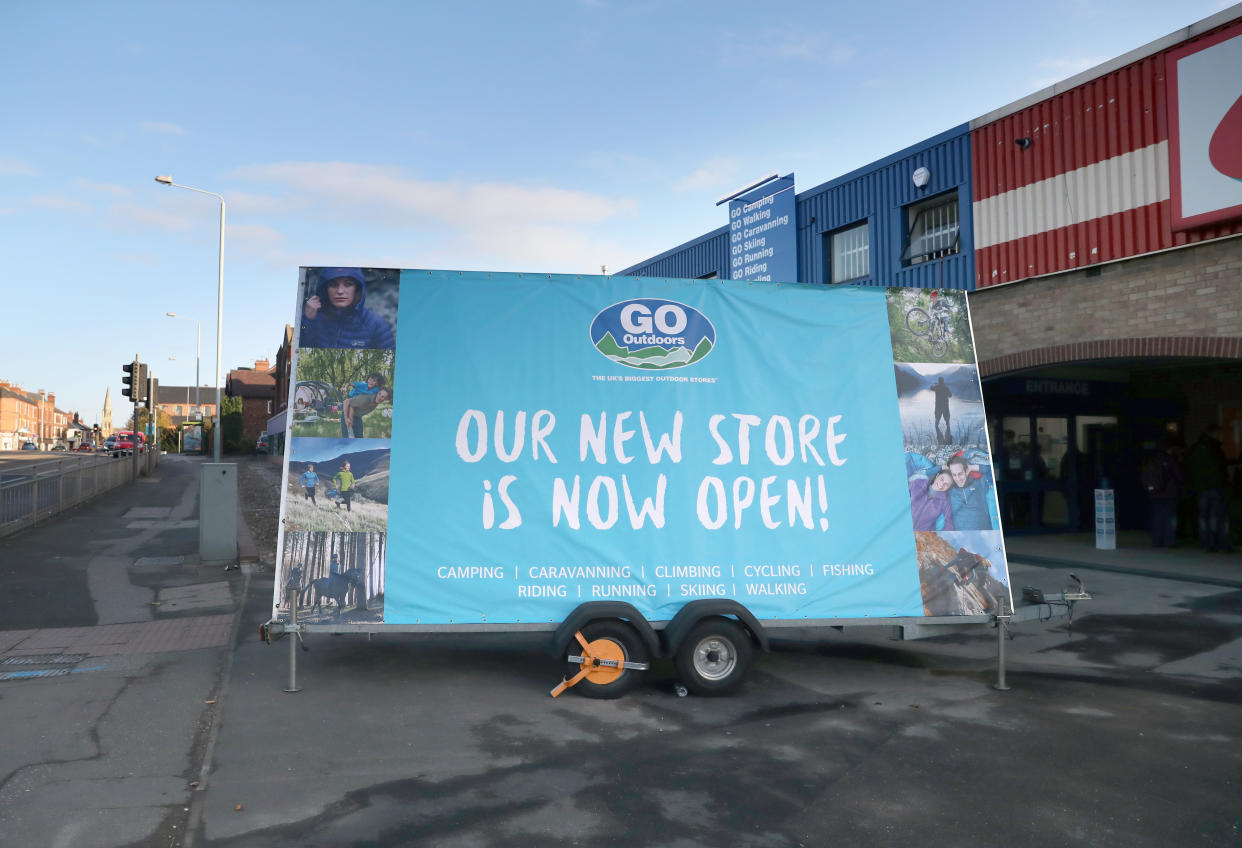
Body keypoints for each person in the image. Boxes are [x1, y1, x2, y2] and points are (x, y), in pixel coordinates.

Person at [300, 267, 395, 350]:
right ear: (325, 289)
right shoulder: (314, 318)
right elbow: (300, 356)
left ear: (358, 289)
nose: (340, 291)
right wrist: (308, 320)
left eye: (348, 284)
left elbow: (390, 363)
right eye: (333, 284)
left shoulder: (375, 324)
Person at [1185, 426, 1231, 552]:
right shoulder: (1215, 448)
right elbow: (1220, 468)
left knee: (1203, 517)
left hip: (1201, 488)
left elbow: (1190, 467)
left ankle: (1206, 543)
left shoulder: (1195, 449)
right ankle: (1220, 543)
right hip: (1216, 487)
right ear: (1215, 434)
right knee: (1218, 517)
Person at [947, 454, 994, 530]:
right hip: (960, 537)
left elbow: (993, 472)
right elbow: (929, 475)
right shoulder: (949, 490)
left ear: (966, 471)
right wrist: (944, 467)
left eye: (960, 473)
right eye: (954, 475)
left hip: (984, 535)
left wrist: (973, 467)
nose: (958, 478)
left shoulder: (979, 484)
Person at [340, 373, 384, 438]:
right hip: (351, 397)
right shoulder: (362, 384)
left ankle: (351, 427)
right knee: (351, 408)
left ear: (377, 383)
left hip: (358, 403)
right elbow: (349, 383)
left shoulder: (376, 390)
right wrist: (345, 388)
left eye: (374, 381)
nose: (371, 382)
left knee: (359, 434)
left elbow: (381, 395)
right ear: (367, 379)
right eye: (370, 379)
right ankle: (349, 427)